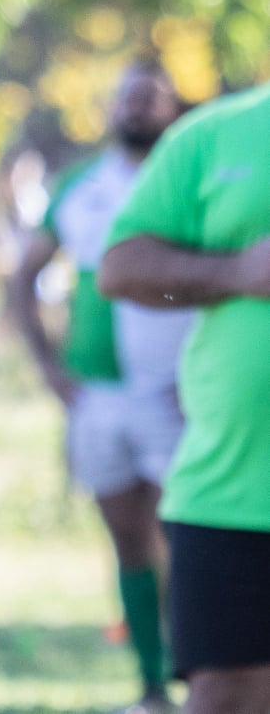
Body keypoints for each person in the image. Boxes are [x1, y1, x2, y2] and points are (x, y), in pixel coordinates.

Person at [8, 59, 192, 714]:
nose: (136, 107)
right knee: (129, 537)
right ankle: (151, 683)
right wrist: (50, 367)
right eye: (127, 97)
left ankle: (204, 678)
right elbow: (22, 280)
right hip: (98, 396)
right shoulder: (80, 185)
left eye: (150, 97)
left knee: (190, 536)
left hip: (179, 396)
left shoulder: (186, 180)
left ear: (173, 109)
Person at [98, 83, 270, 714]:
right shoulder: (214, 134)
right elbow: (121, 268)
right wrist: (236, 274)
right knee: (225, 696)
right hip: (232, 490)